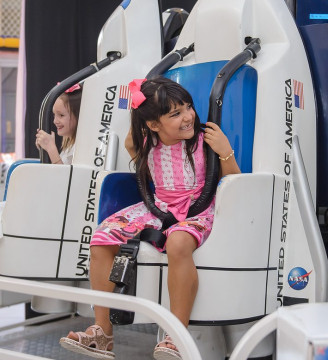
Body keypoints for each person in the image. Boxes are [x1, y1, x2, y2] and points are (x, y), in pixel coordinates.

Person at [59, 77, 240, 360]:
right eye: (176, 113)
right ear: (154, 125)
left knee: (178, 242)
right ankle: (102, 331)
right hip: (159, 208)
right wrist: (140, 103)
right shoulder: (146, 142)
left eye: (188, 107)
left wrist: (225, 151)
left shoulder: (205, 141)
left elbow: (235, 185)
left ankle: (177, 335)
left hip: (198, 208)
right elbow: (132, 139)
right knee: (101, 238)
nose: (188, 117)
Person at [35, 83, 82, 165]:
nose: (55, 121)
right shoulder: (69, 146)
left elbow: (63, 173)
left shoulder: (80, 148)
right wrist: (46, 148)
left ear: (78, 116)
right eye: (54, 115)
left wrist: (51, 148)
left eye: (61, 115)